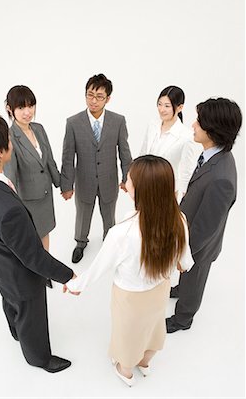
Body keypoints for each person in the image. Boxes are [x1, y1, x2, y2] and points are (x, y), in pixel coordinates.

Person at [0, 110, 75, 373]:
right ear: (1, 151)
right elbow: (34, 256)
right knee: (31, 316)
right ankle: (39, 358)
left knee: (9, 302)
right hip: (20, 276)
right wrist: (68, 276)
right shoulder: (8, 210)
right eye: (8, 139)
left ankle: (15, 331)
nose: (11, 141)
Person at [64, 155, 194, 386]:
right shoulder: (179, 220)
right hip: (160, 289)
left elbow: (99, 266)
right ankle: (145, 362)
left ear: (142, 190)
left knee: (127, 332)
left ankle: (125, 371)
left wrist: (76, 285)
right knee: (153, 327)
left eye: (129, 179)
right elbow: (185, 261)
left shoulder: (122, 233)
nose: (125, 182)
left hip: (130, 296)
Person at [166, 97, 242, 333]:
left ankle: (183, 318)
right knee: (187, 279)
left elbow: (205, 229)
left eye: (199, 122)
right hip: (189, 228)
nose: (193, 125)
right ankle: (181, 289)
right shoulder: (212, 156)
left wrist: (183, 256)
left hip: (199, 246)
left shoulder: (221, 179)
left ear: (214, 130)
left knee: (193, 277)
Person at [61, 73, 132, 264]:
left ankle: (110, 243)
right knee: (82, 214)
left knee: (109, 215)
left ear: (108, 99)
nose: (93, 100)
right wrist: (66, 185)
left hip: (109, 179)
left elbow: (124, 153)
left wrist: (128, 178)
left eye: (99, 96)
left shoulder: (118, 121)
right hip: (84, 180)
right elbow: (68, 157)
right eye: (90, 95)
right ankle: (81, 243)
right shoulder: (73, 123)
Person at [4, 85, 60, 288]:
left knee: (44, 233)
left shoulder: (39, 128)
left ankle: (45, 272)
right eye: (21, 108)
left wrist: (61, 184)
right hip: (27, 199)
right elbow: (10, 173)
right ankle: (34, 274)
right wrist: (11, 202)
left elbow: (49, 160)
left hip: (45, 195)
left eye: (31, 106)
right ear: (10, 109)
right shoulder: (9, 137)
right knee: (31, 239)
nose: (28, 112)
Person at [140, 86, 201, 202]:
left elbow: (187, 172)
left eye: (167, 106)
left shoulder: (187, 136)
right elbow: (142, 154)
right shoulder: (152, 125)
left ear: (180, 107)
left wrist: (183, 200)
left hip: (167, 191)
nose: (162, 109)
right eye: (160, 104)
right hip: (145, 187)